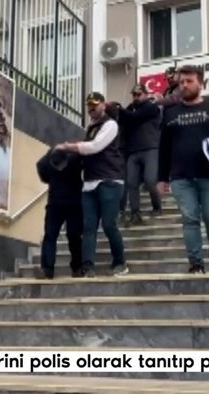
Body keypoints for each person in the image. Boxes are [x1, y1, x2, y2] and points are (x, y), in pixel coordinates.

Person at [157, 65, 209, 274]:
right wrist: (161, 177)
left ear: (201, 83)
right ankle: (196, 264)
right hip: (181, 178)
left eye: (189, 81)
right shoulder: (170, 113)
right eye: (181, 82)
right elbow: (164, 147)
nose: (184, 85)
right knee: (190, 220)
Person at [55, 92, 127, 278]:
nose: (91, 108)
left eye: (95, 104)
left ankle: (120, 262)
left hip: (110, 181)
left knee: (109, 224)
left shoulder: (110, 124)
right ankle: (88, 267)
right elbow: (86, 152)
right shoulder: (91, 127)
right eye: (88, 105)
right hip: (89, 184)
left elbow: (95, 146)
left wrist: (67, 146)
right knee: (88, 227)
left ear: (103, 104)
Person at [115, 83, 162, 225]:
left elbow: (136, 117)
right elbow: (123, 121)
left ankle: (157, 206)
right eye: (134, 94)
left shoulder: (151, 107)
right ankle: (135, 213)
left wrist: (120, 110)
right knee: (131, 183)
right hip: (133, 151)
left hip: (150, 148)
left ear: (146, 94)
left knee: (150, 180)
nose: (135, 97)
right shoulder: (131, 110)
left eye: (138, 94)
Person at [35, 147, 83, 279]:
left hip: (74, 203)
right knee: (50, 235)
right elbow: (39, 167)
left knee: (74, 235)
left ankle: (77, 267)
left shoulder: (74, 157)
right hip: (54, 204)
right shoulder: (47, 161)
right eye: (57, 167)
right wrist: (49, 179)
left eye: (62, 166)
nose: (60, 169)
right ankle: (47, 269)